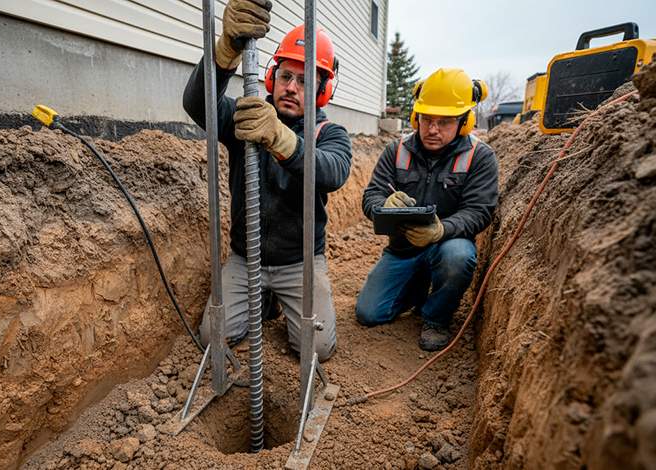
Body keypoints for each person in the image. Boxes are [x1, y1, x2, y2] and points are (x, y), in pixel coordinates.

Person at [182, 0, 352, 362]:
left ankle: (275, 297)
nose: (292, 87)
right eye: (287, 76)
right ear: (272, 78)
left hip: (300, 262)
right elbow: (199, 104)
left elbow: (332, 171)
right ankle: (262, 299)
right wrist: (225, 50)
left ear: (322, 92)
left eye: (306, 81)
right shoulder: (246, 117)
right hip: (246, 260)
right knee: (214, 337)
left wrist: (280, 138)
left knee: (316, 350)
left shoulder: (329, 132)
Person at [356, 68, 498, 351]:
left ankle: (436, 318)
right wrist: (383, 204)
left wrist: (440, 230)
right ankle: (417, 287)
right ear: (415, 117)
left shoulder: (480, 157)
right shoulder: (396, 151)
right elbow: (370, 195)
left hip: (447, 247)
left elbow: (479, 211)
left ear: (465, 121)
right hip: (402, 251)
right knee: (369, 314)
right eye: (426, 119)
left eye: (444, 122)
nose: (433, 129)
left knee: (459, 256)